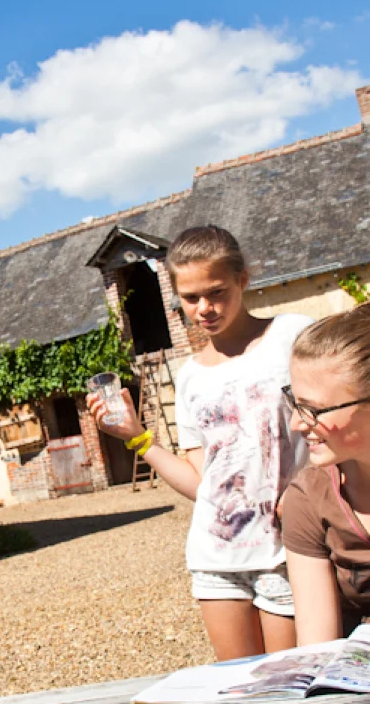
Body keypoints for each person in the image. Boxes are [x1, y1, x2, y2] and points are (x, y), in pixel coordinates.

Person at [88, 225, 312, 660]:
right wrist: (136, 438)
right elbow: (202, 483)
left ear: (243, 280)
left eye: (216, 292)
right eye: (190, 298)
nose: (204, 308)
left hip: (287, 552)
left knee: (290, 691)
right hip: (216, 560)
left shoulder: (294, 336)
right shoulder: (189, 377)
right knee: (235, 691)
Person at [281, 303, 370, 643]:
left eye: (314, 410)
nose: (296, 423)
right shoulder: (308, 499)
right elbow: (316, 648)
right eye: (295, 402)